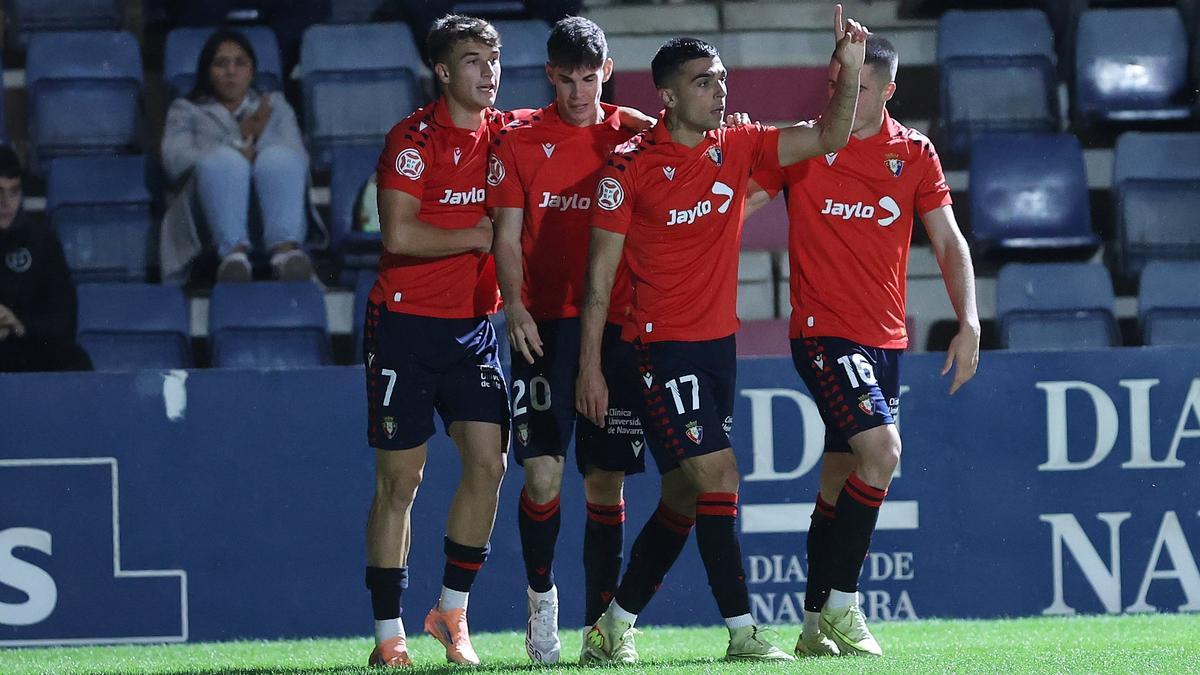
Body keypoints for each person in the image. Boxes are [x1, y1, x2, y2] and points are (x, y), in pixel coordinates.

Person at [575, 7, 869, 663]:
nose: (720, 90)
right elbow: (600, 277)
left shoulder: (737, 146)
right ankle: (742, 632)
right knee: (722, 473)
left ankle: (611, 626)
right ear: (669, 94)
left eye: (721, 77)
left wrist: (847, 72)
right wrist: (590, 367)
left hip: (717, 349)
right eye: (704, 81)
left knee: (685, 491)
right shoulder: (628, 167)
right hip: (655, 347)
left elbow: (828, 136)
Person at [748, 28, 980, 658]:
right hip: (823, 331)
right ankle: (848, 608)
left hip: (885, 339)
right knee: (883, 451)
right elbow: (737, 206)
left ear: (890, 91)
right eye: (837, 83)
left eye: (860, 85)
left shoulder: (916, 152)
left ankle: (815, 622)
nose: (844, 95)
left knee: (840, 476)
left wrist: (970, 319)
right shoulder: (807, 143)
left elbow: (949, 238)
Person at [362, 14, 529, 669]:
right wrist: (476, 236)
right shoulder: (412, 140)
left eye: (493, 60)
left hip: (472, 328)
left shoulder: (506, 135)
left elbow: (586, 122)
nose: (487, 72)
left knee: (489, 464)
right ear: (441, 70)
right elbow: (398, 236)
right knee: (400, 481)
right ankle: (387, 634)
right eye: (471, 61)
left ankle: (450, 611)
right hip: (403, 327)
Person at [486, 16, 648, 664]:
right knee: (544, 476)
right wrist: (515, 306)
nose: (579, 92)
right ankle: (540, 604)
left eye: (590, 77)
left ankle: (603, 630)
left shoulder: (635, 134)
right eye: (567, 79)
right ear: (549, 74)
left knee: (606, 482)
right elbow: (504, 234)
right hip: (545, 323)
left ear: (605, 71)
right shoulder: (523, 140)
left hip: (617, 324)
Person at [160, 28, 314, 283]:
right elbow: (173, 160)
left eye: (240, 63)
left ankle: (285, 254)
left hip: (266, 208)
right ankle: (233, 258)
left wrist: (255, 157)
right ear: (207, 71)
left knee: (279, 158)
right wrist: (234, 145)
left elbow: (298, 157)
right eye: (221, 64)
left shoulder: (274, 106)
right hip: (205, 216)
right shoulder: (186, 109)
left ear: (252, 71)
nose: (231, 71)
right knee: (224, 162)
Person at [0, 146, 91, 373]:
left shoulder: (41, 240)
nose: (6, 203)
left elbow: (64, 320)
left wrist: (19, 325)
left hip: (27, 348)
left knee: (74, 360)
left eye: (14, 191)